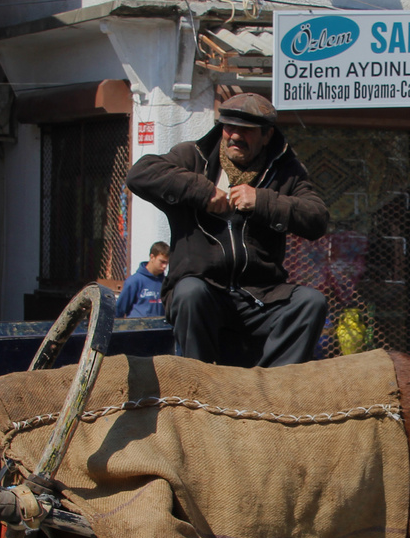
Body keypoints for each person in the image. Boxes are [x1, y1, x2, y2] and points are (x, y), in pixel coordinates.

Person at [125, 93, 329, 366]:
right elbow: (140, 174)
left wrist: (262, 201)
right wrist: (203, 191)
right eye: (229, 127)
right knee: (189, 293)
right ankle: (201, 391)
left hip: (262, 296)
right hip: (204, 292)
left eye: (245, 130)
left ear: (267, 135)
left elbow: (317, 218)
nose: (234, 136)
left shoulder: (287, 172)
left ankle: (269, 392)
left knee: (311, 302)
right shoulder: (193, 157)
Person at [115, 242, 169, 318]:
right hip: (138, 327)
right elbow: (119, 309)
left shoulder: (166, 282)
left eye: (167, 263)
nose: (164, 266)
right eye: (162, 262)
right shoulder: (134, 281)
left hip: (159, 327)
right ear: (152, 257)